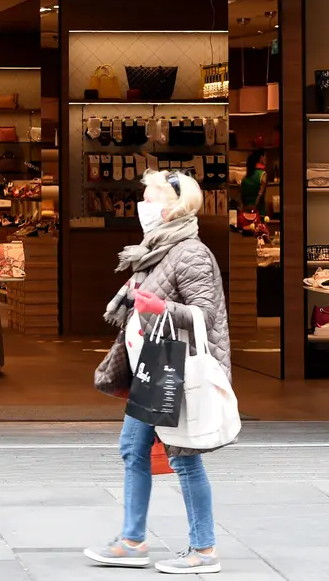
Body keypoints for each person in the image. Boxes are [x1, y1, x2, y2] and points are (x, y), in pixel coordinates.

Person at [85, 170, 231, 575]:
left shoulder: (192, 253)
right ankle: (133, 540)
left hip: (178, 372)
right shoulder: (156, 249)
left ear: (175, 206)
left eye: (150, 198)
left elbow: (206, 314)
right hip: (155, 369)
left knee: (184, 460)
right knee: (134, 450)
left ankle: (204, 551)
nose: (142, 206)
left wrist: (158, 309)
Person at [240, 149, 267, 216]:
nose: (266, 160)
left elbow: (241, 197)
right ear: (261, 158)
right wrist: (254, 208)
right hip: (259, 213)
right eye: (265, 157)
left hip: (245, 213)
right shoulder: (263, 175)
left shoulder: (245, 178)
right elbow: (260, 195)